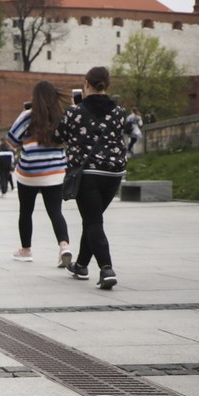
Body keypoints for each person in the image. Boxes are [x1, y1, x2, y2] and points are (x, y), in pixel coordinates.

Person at [58, 66, 129, 290]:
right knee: (93, 219)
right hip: (114, 173)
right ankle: (80, 265)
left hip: (87, 173)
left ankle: (106, 268)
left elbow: (58, 135)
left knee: (93, 221)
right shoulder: (120, 112)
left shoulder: (75, 112)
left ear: (86, 84)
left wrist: (73, 110)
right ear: (107, 85)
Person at [6, 80, 72, 266]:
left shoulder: (28, 116)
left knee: (26, 211)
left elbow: (11, 141)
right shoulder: (62, 117)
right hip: (55, 172)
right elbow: (69, 140)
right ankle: (64, 246)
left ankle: (26, 250)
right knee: (55, 211)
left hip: (29, 173)